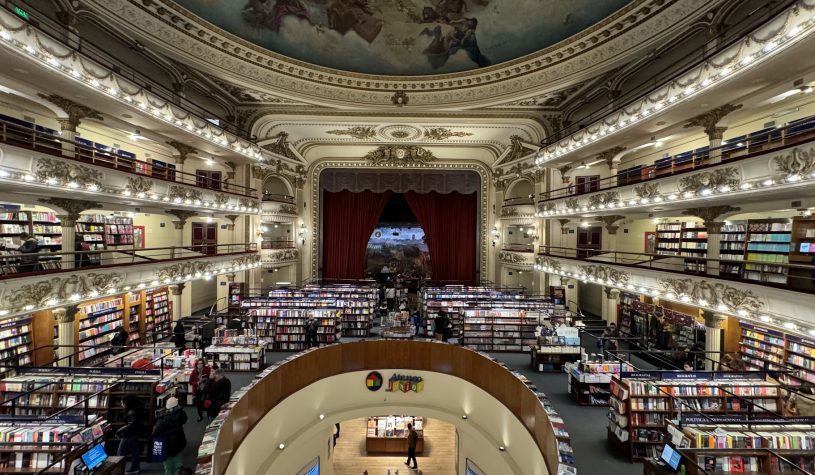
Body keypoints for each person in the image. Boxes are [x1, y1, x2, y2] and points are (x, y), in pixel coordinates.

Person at [152, 397, 187, 475]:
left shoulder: (162, 420)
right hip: (178, 443)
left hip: (166, 446)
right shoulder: (181, 414)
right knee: (178, 463)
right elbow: (184, 419)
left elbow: (155, 433)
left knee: (168, 467)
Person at [116, 395, 144, 474]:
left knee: (120, 453)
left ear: (127, 403)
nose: (121, 404)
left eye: (122, 403)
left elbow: (130, 425)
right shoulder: (136, 409)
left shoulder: (132, 412)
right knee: (135, 451)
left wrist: (119, 431)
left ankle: (119, 471)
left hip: (129, 434)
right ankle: (135, 467)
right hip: (135, 433)